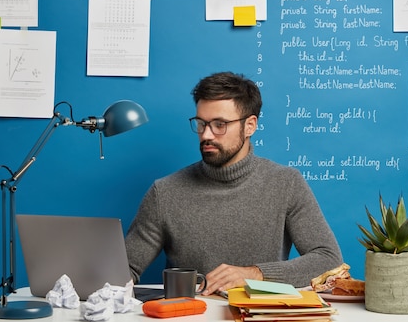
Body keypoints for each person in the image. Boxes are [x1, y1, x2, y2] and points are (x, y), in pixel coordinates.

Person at [125, 72, 343, 295]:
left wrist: (254, 274)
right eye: (201, 124)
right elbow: (124, 270)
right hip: (190, 314)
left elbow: (329, 260)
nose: (206, 135)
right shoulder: (165, 192)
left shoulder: (286, 183)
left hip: (261, 316)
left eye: (220, 124)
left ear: (250, 126)